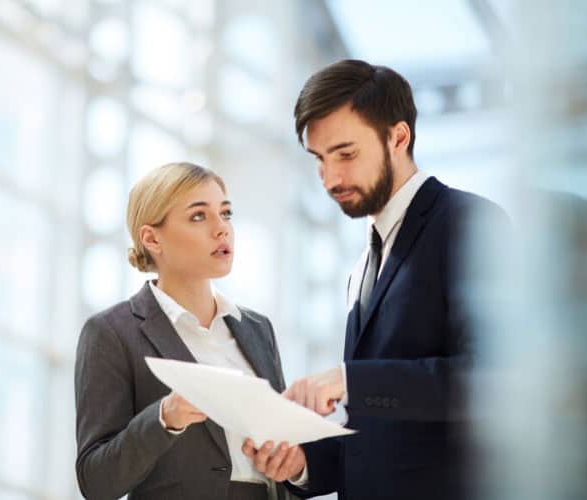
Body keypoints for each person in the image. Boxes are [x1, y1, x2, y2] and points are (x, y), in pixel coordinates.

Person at [242, 59, 508, 499]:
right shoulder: (363, 265)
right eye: (319, 160)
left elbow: (492, 379)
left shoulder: (470, 222)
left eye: (346, 154)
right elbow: (378, 428)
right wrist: (304, 464)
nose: (331, 179)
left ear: (398, 137)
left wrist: (350, 380)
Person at [75, 162, 294, 500]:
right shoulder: (112, 333)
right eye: (198, 216)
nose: (222, 229)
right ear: (151, 238)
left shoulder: (257, 329)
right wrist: (165, 418)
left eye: (226, 213)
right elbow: (97, 480)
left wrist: (291, 460)